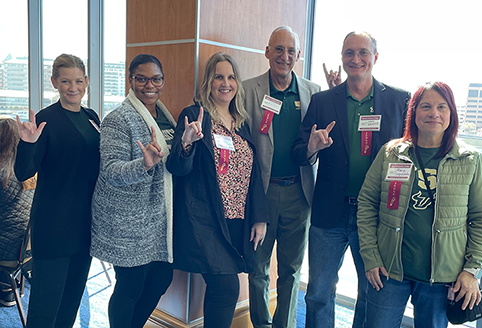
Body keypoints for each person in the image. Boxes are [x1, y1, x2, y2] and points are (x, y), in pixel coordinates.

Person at [291, 31, 411, 328]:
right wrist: (311, 148)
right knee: (318, 293)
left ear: (375, 57)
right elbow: (297, 153)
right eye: (348, 53)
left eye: (362, 52)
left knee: (371, 293)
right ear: (342, 58)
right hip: (330, 212)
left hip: (376, 215)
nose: (355, 59)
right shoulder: (322, 101)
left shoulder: (399, 100)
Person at [357, 81, 482, 328]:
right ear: (414, 113)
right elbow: (366, 203)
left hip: (441, 278)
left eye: (442, 107)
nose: (434, 113)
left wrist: (472, 269)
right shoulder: (391, 153)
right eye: (426, 106)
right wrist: (370, 256)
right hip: (388, 272)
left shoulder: (470, 160)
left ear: (452, 113)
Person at [167, 52, 268, 328]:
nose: (226, 83)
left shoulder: (242, 120)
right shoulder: (194, 115)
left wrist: (260, 217)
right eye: (219, 77)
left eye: (231, 77)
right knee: (227, 288)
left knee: (219, 289)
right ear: (209, 82)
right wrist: (186, 143)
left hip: (237, 221)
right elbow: (177, 167)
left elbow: (254, 172)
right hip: (205, 221)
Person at [243, 26, 320, 328]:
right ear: (267, 51)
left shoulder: (313, 93)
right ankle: (261, 324)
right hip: (261, 194)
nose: (284, 56)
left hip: (299, 195)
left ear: (298, 55)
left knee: (291, 269)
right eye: (278, 49)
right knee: (257, 267)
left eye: (291, 51)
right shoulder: (249, 90)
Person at [14, 54, 100, 327]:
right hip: (54, 226)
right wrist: (27, 143)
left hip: (85, 227)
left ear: (86, 82)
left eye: (78, 81)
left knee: (70, 304)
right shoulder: (45, 120)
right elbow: (23, 172)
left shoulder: (91, 118)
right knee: (44, 309)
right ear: (54, 82)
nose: (72, 87)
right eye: (65, 81)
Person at [91, 54, 176, 328]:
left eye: (155, 79)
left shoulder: (164, 115)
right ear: (131, 80)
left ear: (163, 81)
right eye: (141, 78)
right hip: (127, 222)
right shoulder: (118, 119)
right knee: (130, 288)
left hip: (157, 218)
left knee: (161, 278)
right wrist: (144, 164)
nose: (149, 85)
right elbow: (112, 172)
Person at [0, 117, 35, 307]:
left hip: (7, 251)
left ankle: (6, 287)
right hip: (28, 249)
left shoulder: (2, 174)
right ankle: (8, 289)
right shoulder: (30, 171)